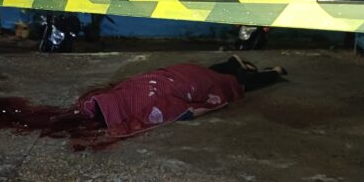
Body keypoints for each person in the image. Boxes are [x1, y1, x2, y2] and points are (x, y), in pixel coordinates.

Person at [78, 55, 286, 137]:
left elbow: (186, 110)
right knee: (204, 73)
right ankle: (232, 63)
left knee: (235, 85)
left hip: (195, 85)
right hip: (179, 72)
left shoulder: (148, 109)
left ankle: (274, 72)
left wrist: (213, 105)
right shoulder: (122, 88)